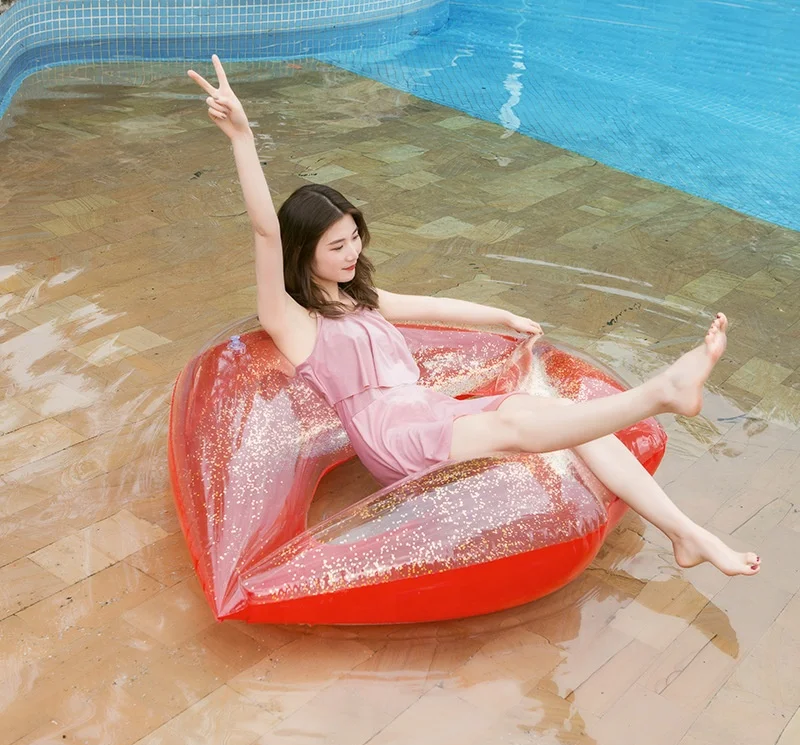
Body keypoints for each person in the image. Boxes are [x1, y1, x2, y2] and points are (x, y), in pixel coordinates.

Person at [188, 56, 760, 578]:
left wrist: (502, 315)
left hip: (429, 411)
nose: (353, 251)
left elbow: (435, 306)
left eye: (355, 236)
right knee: (516, 431)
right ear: (302, 251)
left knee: (555, 413)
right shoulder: (292, 321)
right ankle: (660, 394)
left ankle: (688, 535)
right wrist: (242, 136)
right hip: (394, 437)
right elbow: (264, 230)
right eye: (337, 246)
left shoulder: (360, 299)